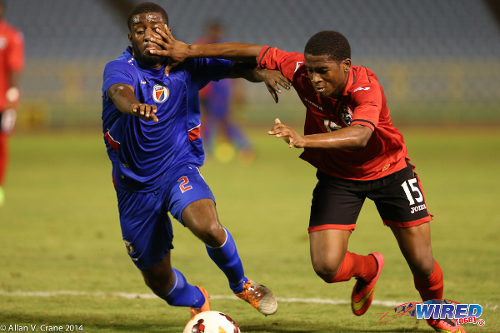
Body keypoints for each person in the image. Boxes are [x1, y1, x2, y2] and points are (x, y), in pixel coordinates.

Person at [149, 30, 465, 332]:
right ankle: (369, 268)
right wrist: (190, 50)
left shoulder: (367, 88)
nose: (314, 78)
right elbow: (252, 51)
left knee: (422, 263)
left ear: (346, 66)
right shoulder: (300, 69)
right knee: (327, 266)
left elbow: (361, 135)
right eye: (311, 70)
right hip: (339, 177)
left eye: (323, 71)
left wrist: (304, 140)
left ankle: (437, 313)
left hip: (390, 171)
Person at [102, 2, 285, 319]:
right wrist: (133, 106)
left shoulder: (186, 63)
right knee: (160, 282)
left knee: (208, 227)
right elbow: (120, 91)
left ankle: (241, 284)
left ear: (167, 31)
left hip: (177, 169)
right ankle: (196, 298)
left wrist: (262, 72)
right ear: (130, 36)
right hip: (134, 188)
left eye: (155, 28)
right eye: (139, 30)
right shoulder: (121, 68)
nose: (147, 35)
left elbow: (236, 65)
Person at [196, 20, 254, 162]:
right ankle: (206, 150)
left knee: (223, 119)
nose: (215, 33)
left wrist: (238, 90)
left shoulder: (227, 47)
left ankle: (244, 147)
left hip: (221, 90)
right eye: (212, 30)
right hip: (204, 89)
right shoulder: (201, 45)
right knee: (206, 120)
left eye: (217, 31)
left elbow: (238, 68)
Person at [0, 0, 24, 206]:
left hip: (1, 101)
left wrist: (13, 94)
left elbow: (14, 67)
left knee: (1, 143)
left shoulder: (10, 36)